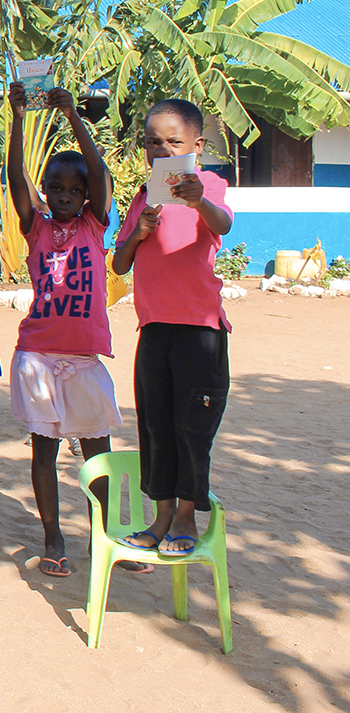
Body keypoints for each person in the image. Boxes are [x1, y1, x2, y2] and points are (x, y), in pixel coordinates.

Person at [7, 84, 127, 577]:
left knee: (98, 450)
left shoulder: (94, 225)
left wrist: (73, 116)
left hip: (84, 359)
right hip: (38, 355)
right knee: (45, 450)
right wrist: (18, 118)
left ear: (86, 196)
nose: (63, 196)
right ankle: (53, 538)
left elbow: (98, 172)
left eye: (74, 191)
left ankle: (108, 535)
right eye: (54, 188)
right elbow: (15, 177)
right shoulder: (35, 225)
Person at [113, 99, 234, 557]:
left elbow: (223, 224)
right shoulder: (144, 196)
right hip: (154, 330)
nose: (162, 150)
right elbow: (120, 263)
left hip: (199, 331)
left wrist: (198, 200)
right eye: (152, 142)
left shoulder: (210, 187)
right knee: (156, 426)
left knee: (192, 427)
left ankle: (185, 516)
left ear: (197, 146)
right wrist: (139, 232)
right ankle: (160, 515)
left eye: (174, 142)